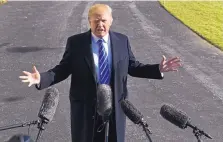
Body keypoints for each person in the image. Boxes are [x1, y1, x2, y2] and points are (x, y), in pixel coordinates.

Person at [19, 3, 181, 142]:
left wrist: (158, 69)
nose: (100, 24)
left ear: (110, 21)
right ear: (89, 21)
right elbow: (62, 69)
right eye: (95, 20)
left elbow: (133, 67)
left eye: (103, 20)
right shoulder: (76, 43)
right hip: (85, 110)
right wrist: (41, 78)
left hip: (115, 109)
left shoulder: (122, 41)